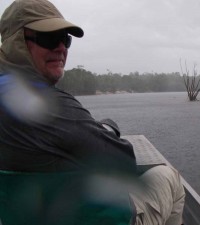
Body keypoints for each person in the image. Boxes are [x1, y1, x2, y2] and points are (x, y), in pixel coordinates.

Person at [0, 0, 185, 225]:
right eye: (48, 39)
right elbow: (123, 163)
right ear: (16, 42)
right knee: (169, 177)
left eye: (65, 39)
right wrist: (106, 129)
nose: (61, 48)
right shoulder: (51, 107)